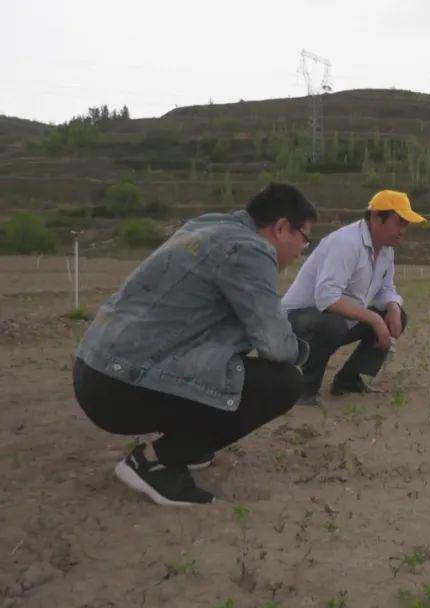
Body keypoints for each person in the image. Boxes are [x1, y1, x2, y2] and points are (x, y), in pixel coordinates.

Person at [72, 182, 317, 505]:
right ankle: (153, 462)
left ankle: (191, 444)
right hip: (120, 385)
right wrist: (302, 350)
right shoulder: (250, 250)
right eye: (304, 237)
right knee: (283, 382)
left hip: (94, 370)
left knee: (233, 360)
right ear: (281, 227)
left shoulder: (208, 226)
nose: (303, 250)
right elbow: (276, 345)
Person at [281, 189, 425, 404]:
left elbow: (385, 289)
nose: (403, 231)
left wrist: (393, 308)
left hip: (337, 318)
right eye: (399, 223)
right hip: (298, 319)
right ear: (376, 217)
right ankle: (305, 388)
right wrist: (375, 319)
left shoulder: (386, 250)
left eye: (406, 225)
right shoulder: (347, 243)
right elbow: (326, 298)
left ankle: (349, 381)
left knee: (395, 315)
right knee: (333, 325)